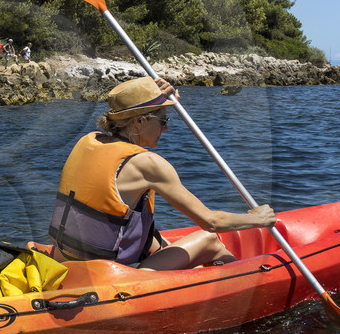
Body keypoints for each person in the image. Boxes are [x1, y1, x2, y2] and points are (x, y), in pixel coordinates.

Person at [49, 77, 276, 270]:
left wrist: (157, 93)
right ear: (138, 122)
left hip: (68, 261)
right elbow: (211, 222)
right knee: (210, 242)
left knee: (161, 243)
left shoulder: (88, 141)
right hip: (109, 272)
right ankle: (247, 287)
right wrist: (259, 218)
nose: (166, 128)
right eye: (162, 120)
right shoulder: (147, 164)